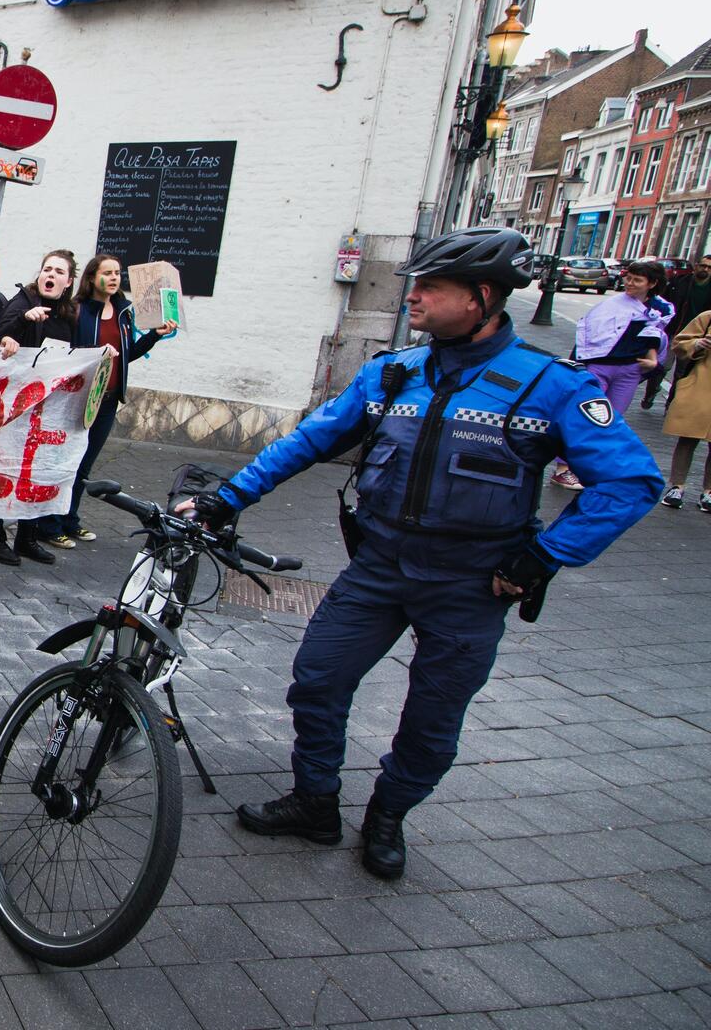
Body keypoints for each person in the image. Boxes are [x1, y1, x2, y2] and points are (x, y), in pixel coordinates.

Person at [183, 227, 661, 879]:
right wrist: (227, 497)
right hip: (377, 570)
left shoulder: (551, 387)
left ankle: (388, 816)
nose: (415, 296)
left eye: (433, 287)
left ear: (482, 297)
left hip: (472, 586)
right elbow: (308, 442)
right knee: (317, 681)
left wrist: (546, 556)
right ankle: (316, 803)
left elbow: (632, 481)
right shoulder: (392, 373)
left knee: (431, 722)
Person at [26, 253, 174, 547]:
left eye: (118, 273)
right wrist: (96, 354)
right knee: (65, 461)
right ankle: (49, 524)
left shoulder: (123, 311)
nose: (115, 278)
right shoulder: (78, 310)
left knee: (84, 465)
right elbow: (72, 353)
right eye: (108, 273)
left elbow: (126, 354)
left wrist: (153, 336)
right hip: (80, 399)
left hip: (107, 399)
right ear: (92, 278)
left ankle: (70, 520)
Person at [0, 249, 79, 564]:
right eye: (46, 269)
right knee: (5, 468)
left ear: (68, 282)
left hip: (47, 408)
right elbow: (0, 335)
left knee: (36, 472)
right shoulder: (23, 301)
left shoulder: (67, 313)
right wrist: (25, 321)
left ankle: (27, 537)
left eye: (58, 272)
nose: (50, 275)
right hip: (15, 405)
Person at [551, 259, 670, 490]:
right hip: (599, 366)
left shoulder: (661, 308)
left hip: (629, 370)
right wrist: (580, 363)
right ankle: (563, 468)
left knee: (611, 420)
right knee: (585, 415)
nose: (630, 283)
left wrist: (652, 359)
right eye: (628, 277)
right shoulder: (611, 305)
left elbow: (655, 332)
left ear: (652, 284)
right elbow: (589, 332)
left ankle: (591, 468)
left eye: (637, 280)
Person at [659, 303, 711, 510]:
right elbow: (680, 343)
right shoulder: (707, 317)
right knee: (688, 437)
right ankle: (676, 486)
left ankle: (708, 491)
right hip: (701, 386)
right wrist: (698, 344)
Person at [646, 253, 711, 409]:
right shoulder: (680, 282)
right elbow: (663, 303)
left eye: (710, 268)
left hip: (694, 337)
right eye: (703, 265)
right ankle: (651, 392)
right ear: (696, 266)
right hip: (673, 331)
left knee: (682, 373)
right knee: (662, 367)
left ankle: (671, 403)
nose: (706, 269)